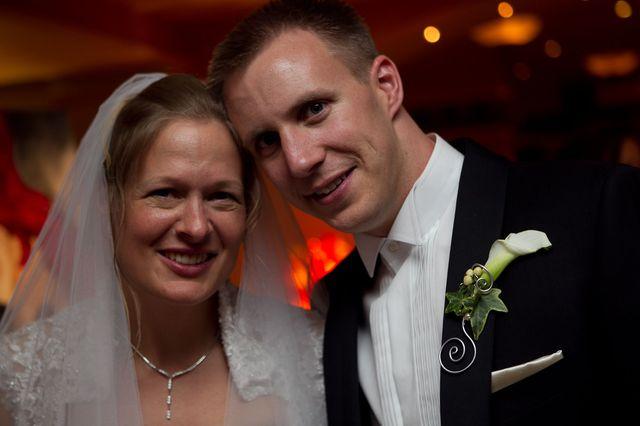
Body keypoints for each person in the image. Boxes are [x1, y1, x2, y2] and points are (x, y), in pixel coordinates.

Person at [207, 1, 640, 425]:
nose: (299, 159)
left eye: (314, 109)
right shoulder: (331, 306)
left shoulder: (594, 211)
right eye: (267, 141)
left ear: (386, 86)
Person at [0, 73, 325, 425]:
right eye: (166, 193)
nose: (196, 227)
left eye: (221, 196)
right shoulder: (23, 375)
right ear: (107, 204)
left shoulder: (315, 354)